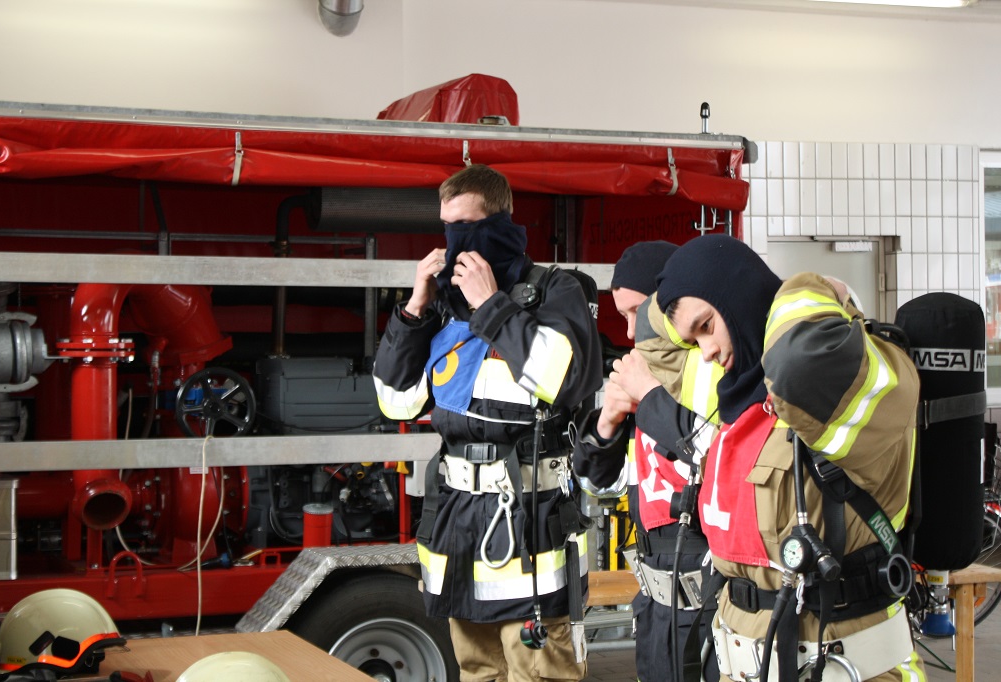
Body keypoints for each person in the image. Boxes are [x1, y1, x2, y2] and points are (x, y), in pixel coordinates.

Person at [634, 234, 923, 682]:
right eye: (694, 339)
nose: (705, 351)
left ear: (738, 295)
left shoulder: (844, 381)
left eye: (707, 325)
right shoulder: (736, 391)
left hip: (846, 667)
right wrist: (684, 280)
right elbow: (650, 337)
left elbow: (797, 365)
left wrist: (807, 286)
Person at [373, 164, 602, 682]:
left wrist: (491, 306)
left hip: (530, 526)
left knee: (540, 675)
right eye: (447, 228)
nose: (455, 243)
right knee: (476, 672)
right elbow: (396, 401)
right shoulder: (442, 309)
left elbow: (563, 379)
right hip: (456, 526)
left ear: (500, 224)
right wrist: (414, 309)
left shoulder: (554, 291)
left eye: (467, 228)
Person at [572, 240, 722, 682]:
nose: (631, 332)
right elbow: (601, 485)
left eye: (639, 312)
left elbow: (721, 460)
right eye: (623, 317)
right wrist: (606, 425)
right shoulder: (638, 370)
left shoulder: (713, 365)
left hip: (713, 603)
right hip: (655, 606)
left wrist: (651, 399)